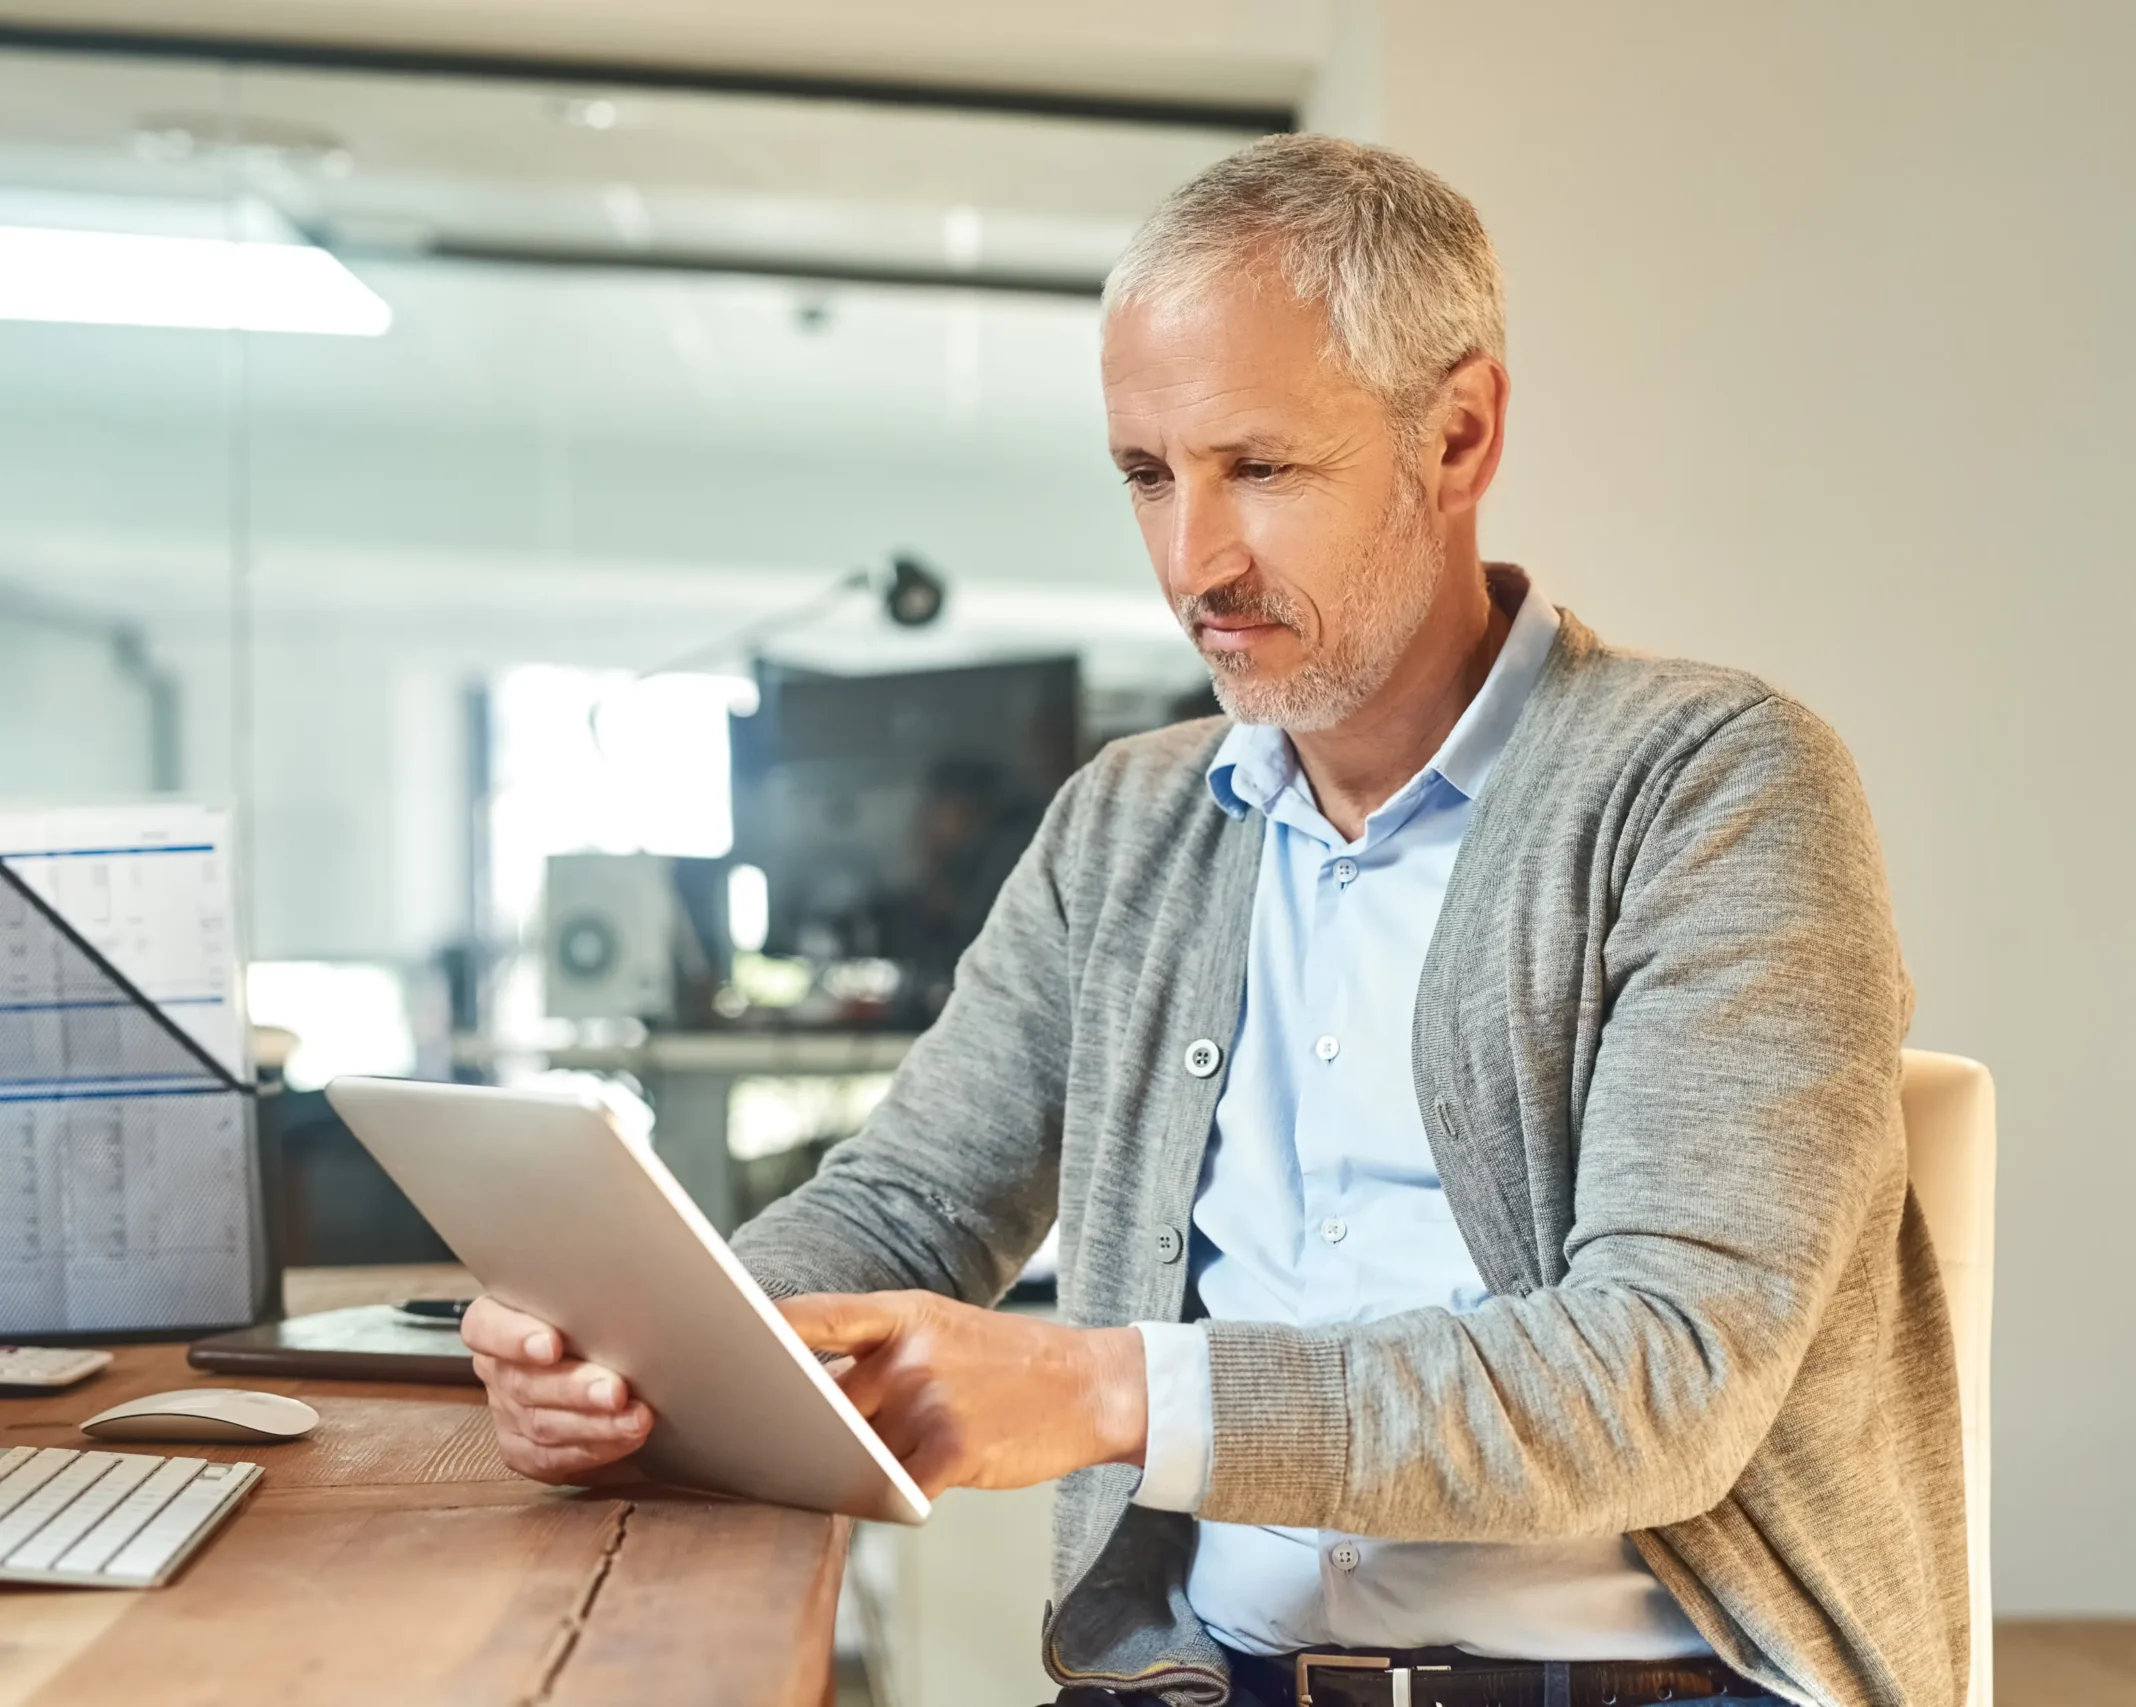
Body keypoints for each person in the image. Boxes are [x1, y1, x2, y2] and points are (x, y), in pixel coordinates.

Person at [462, 134, 1966, 1707]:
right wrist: (655, 1356)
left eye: (1261, 467)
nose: (1196, 560)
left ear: (1458, 435)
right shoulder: (1128, 820)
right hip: (1204, 1679)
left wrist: (1111, 1388)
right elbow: (909, 1205)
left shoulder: (1719, 788)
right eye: (1146, 475)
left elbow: (1660, 1376)